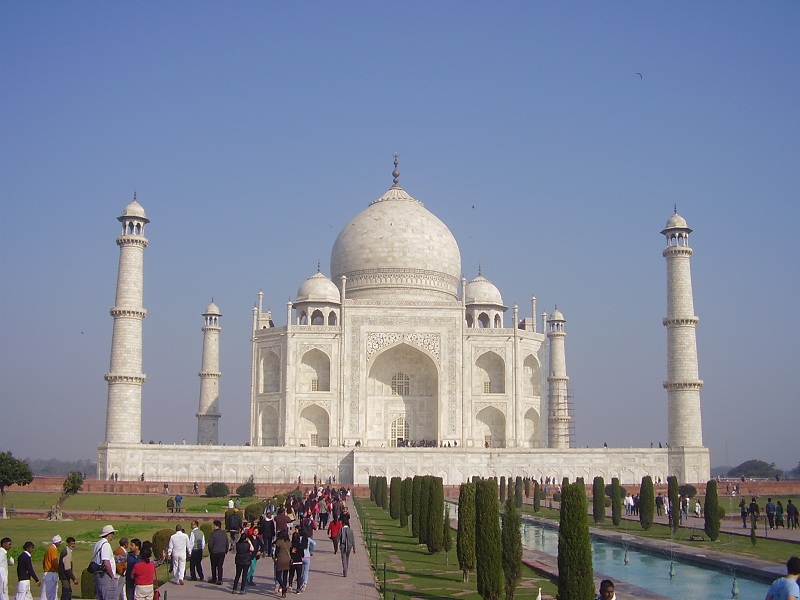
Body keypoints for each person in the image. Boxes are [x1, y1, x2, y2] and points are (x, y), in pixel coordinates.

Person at [92, 525, 118, 600]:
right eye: (112, 533)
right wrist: (112, 575)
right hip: (105, 575)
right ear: (108, 534)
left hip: (98, 574)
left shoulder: (98, 543)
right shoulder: (106, 545)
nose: (113, 535)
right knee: (110, 596)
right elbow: (106, 562)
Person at [232, 528, 254, 595]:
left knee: (237, 575)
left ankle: (234, 589)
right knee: (244, 575)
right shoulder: (247, 545)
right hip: (246, 561)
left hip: (239, 560)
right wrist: (249, 542)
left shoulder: (238, 544)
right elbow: (252, 549)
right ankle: (242, 589)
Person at [41, 535, 62, 600]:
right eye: (60, 542)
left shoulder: (49, 548)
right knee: (50, 593)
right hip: (51, 574)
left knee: (47, 593)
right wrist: (60, 570)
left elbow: (43, 561)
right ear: (57, 542)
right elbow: (54, 562)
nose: (60, 544)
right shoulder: (53, 549)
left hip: (47, 573)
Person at [207, 519, 228, 585]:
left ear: (216, 526)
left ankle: (214, 578)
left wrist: (210, 550)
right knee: (220, 566)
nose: (213, 527)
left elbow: (210, 543)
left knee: (213, 566)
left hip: (214, 552)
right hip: (222, 552)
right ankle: (220, 579)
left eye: (214, 525)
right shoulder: (224, 533)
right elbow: (226, 542)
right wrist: (226, 550)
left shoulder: (213, 534)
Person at [273, 531, 291, 598]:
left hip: (280, 560)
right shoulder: (289, 542)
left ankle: (283, 587)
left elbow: (276, 550)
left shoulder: (279, 542)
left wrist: (274, 557)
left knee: (278, 576)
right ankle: (284, 593)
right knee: (285, 576)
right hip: (287, 560)